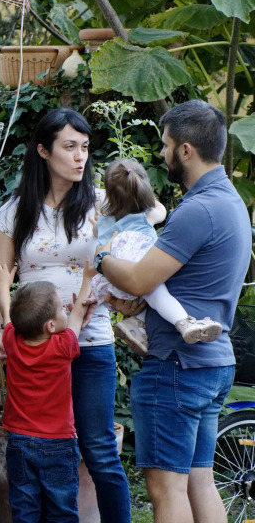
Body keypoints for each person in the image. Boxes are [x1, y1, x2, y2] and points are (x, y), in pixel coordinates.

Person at [95, 100, 250, 523]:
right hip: (212, 364)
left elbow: (140, 279)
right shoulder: (231, 203)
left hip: (179, 367)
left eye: (165, 146)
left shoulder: (197, 211)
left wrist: (100, 259)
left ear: (186, 150)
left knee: (167, 489)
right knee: (199, 482)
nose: (161, 155)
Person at [0, 108, 131, 523]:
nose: (80, 157)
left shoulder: (102, 206)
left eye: (85, 147)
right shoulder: (14, 212)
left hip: (89, 343)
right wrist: (1, 330)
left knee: (100, 451)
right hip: (33, 348)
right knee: (31, 446)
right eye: (70, 147)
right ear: (43, 150)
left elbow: (146, 229)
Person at [0, 260, 96, 523]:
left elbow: (7, 316)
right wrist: (86, 279)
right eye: (61, 308)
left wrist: (4, 284)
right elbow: (77, 316)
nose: (65, 310)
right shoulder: (62, 347)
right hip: (58, 444)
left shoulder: (13, 340)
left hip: (19, 442)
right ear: (50, 326)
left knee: (24, 510)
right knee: (62, 511)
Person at [91, 158, 222, 356]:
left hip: (113, 279)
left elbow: (97, 238)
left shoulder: (103, 220)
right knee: (157, 293)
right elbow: (161, 209)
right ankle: (184, 322)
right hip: (138, 271)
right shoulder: (148, 214)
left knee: (147, 298)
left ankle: (138, 327)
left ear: (109, 193)